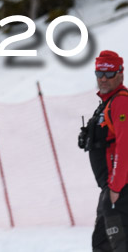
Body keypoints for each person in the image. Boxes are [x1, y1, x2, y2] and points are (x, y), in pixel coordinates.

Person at [79, 50, 128, 251]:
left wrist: (116, 187)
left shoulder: (121, 102)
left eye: (109, 73)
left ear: (120, 73)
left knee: (112, 245)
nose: (104, 79)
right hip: (111, 188)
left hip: (120, 188)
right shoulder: (107, 103)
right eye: (100, 73)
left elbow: (125, 146)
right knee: (104, 244)